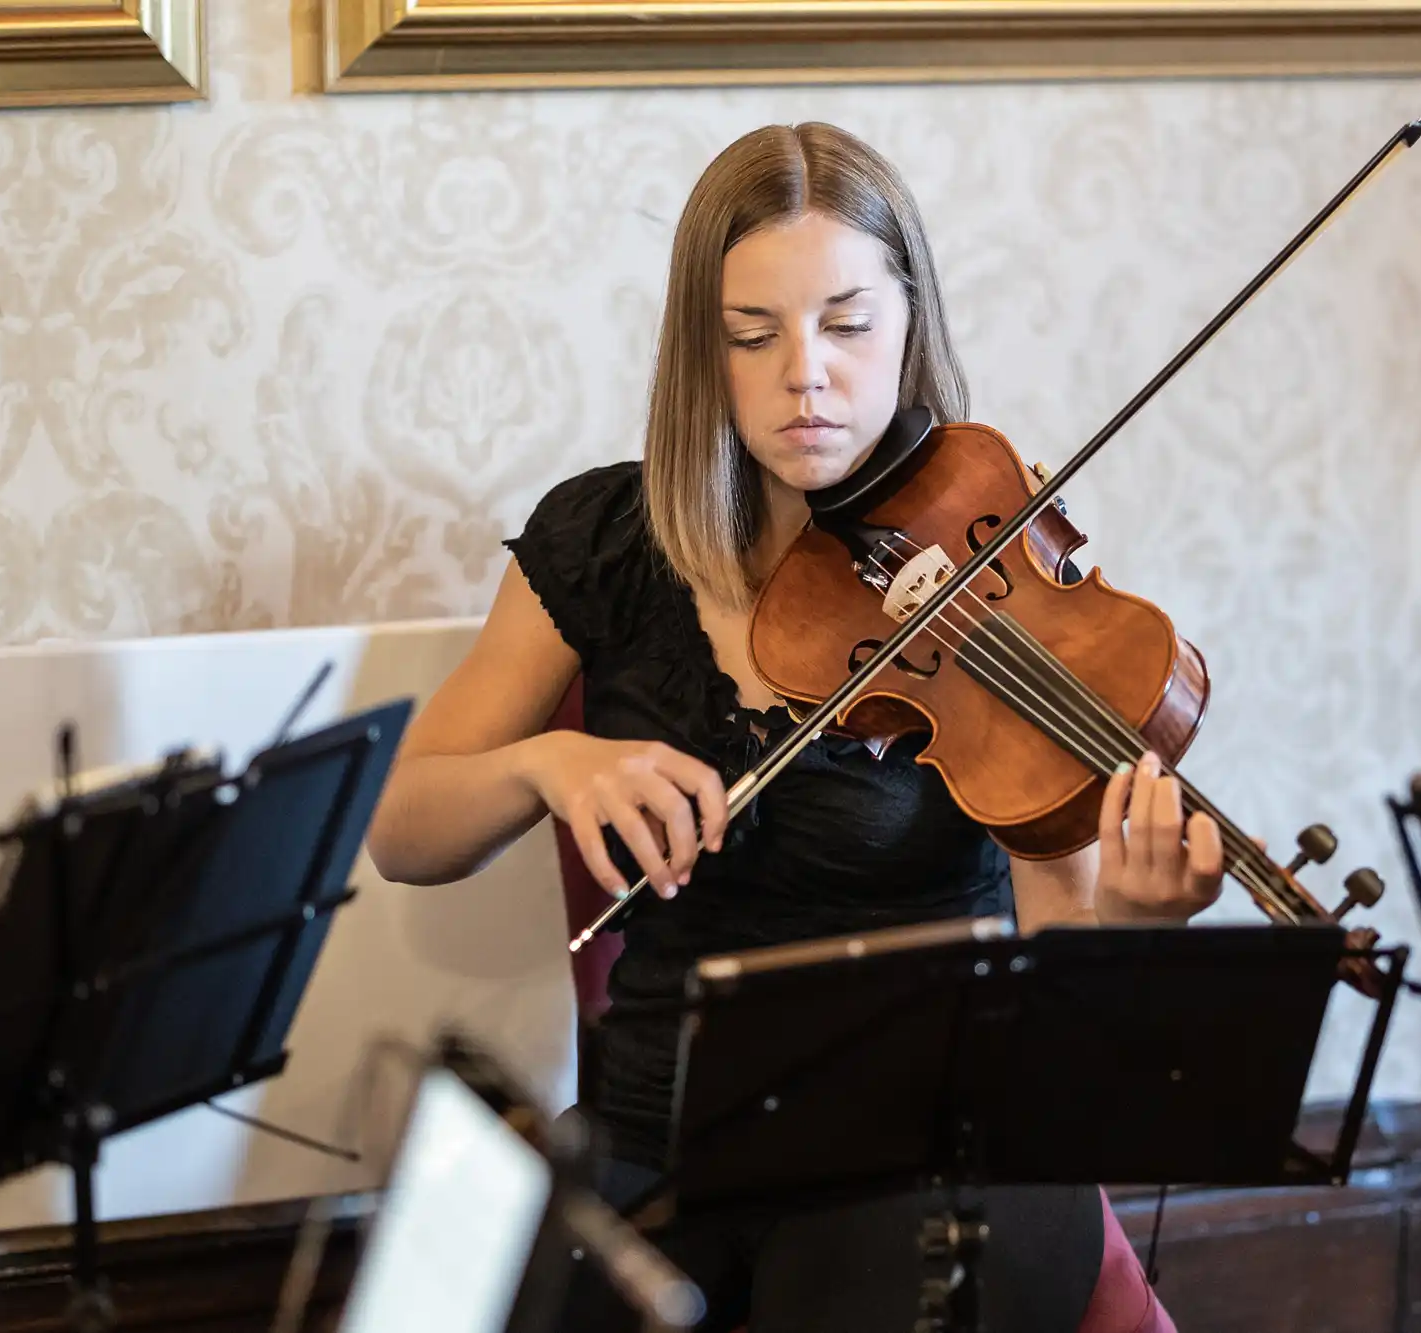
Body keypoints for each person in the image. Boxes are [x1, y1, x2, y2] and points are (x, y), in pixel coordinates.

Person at [366, 122, 1223, 1333]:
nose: (802, 375)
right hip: (663, 1140)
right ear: (698, 352)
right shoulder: (605, 541)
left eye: (846, 323)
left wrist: (1126, 923)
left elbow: (1056, 951)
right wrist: (547, 762)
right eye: (751, 335)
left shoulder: (986, 569)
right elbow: (403, 830)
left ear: (908, 321)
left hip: (929, 1146)